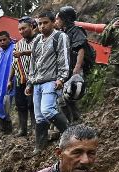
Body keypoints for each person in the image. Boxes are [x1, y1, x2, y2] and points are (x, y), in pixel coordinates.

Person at [27, 12, 71, 151]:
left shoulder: (59, 37)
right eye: (40, 23)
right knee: (39, 116)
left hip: (51, 80)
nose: (42, 26)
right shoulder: (37, 41)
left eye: (45, 23)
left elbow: (64, 58)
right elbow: (33, 63)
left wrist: (61, 78)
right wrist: (29, 83)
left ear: (53, 22)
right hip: (37, 82)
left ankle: (69, 134)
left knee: (47, 109)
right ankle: (40, 147)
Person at [56, 7, 91, 124]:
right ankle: (68, 122)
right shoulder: (63, 33)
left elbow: (81, 49)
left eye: (58, 19)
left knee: (70, 95)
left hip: (73, 68)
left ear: (64, 19)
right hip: (64, 69)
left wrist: (77, 67)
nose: (56, 22)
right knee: (62, 98)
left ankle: (76, 119)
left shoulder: (77, 31)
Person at [8, 17, 38, 138]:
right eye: (19, 29)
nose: (21, 32)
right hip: (20, 79)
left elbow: (38, 51)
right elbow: (14, 63)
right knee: (20, 105)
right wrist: (9, 80)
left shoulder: (39, 40)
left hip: (34, 79)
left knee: (32, 104)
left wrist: (24, 53)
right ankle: (23, 129)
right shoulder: (18, 45)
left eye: (23, 28)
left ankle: (35, 129)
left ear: (31, 26)